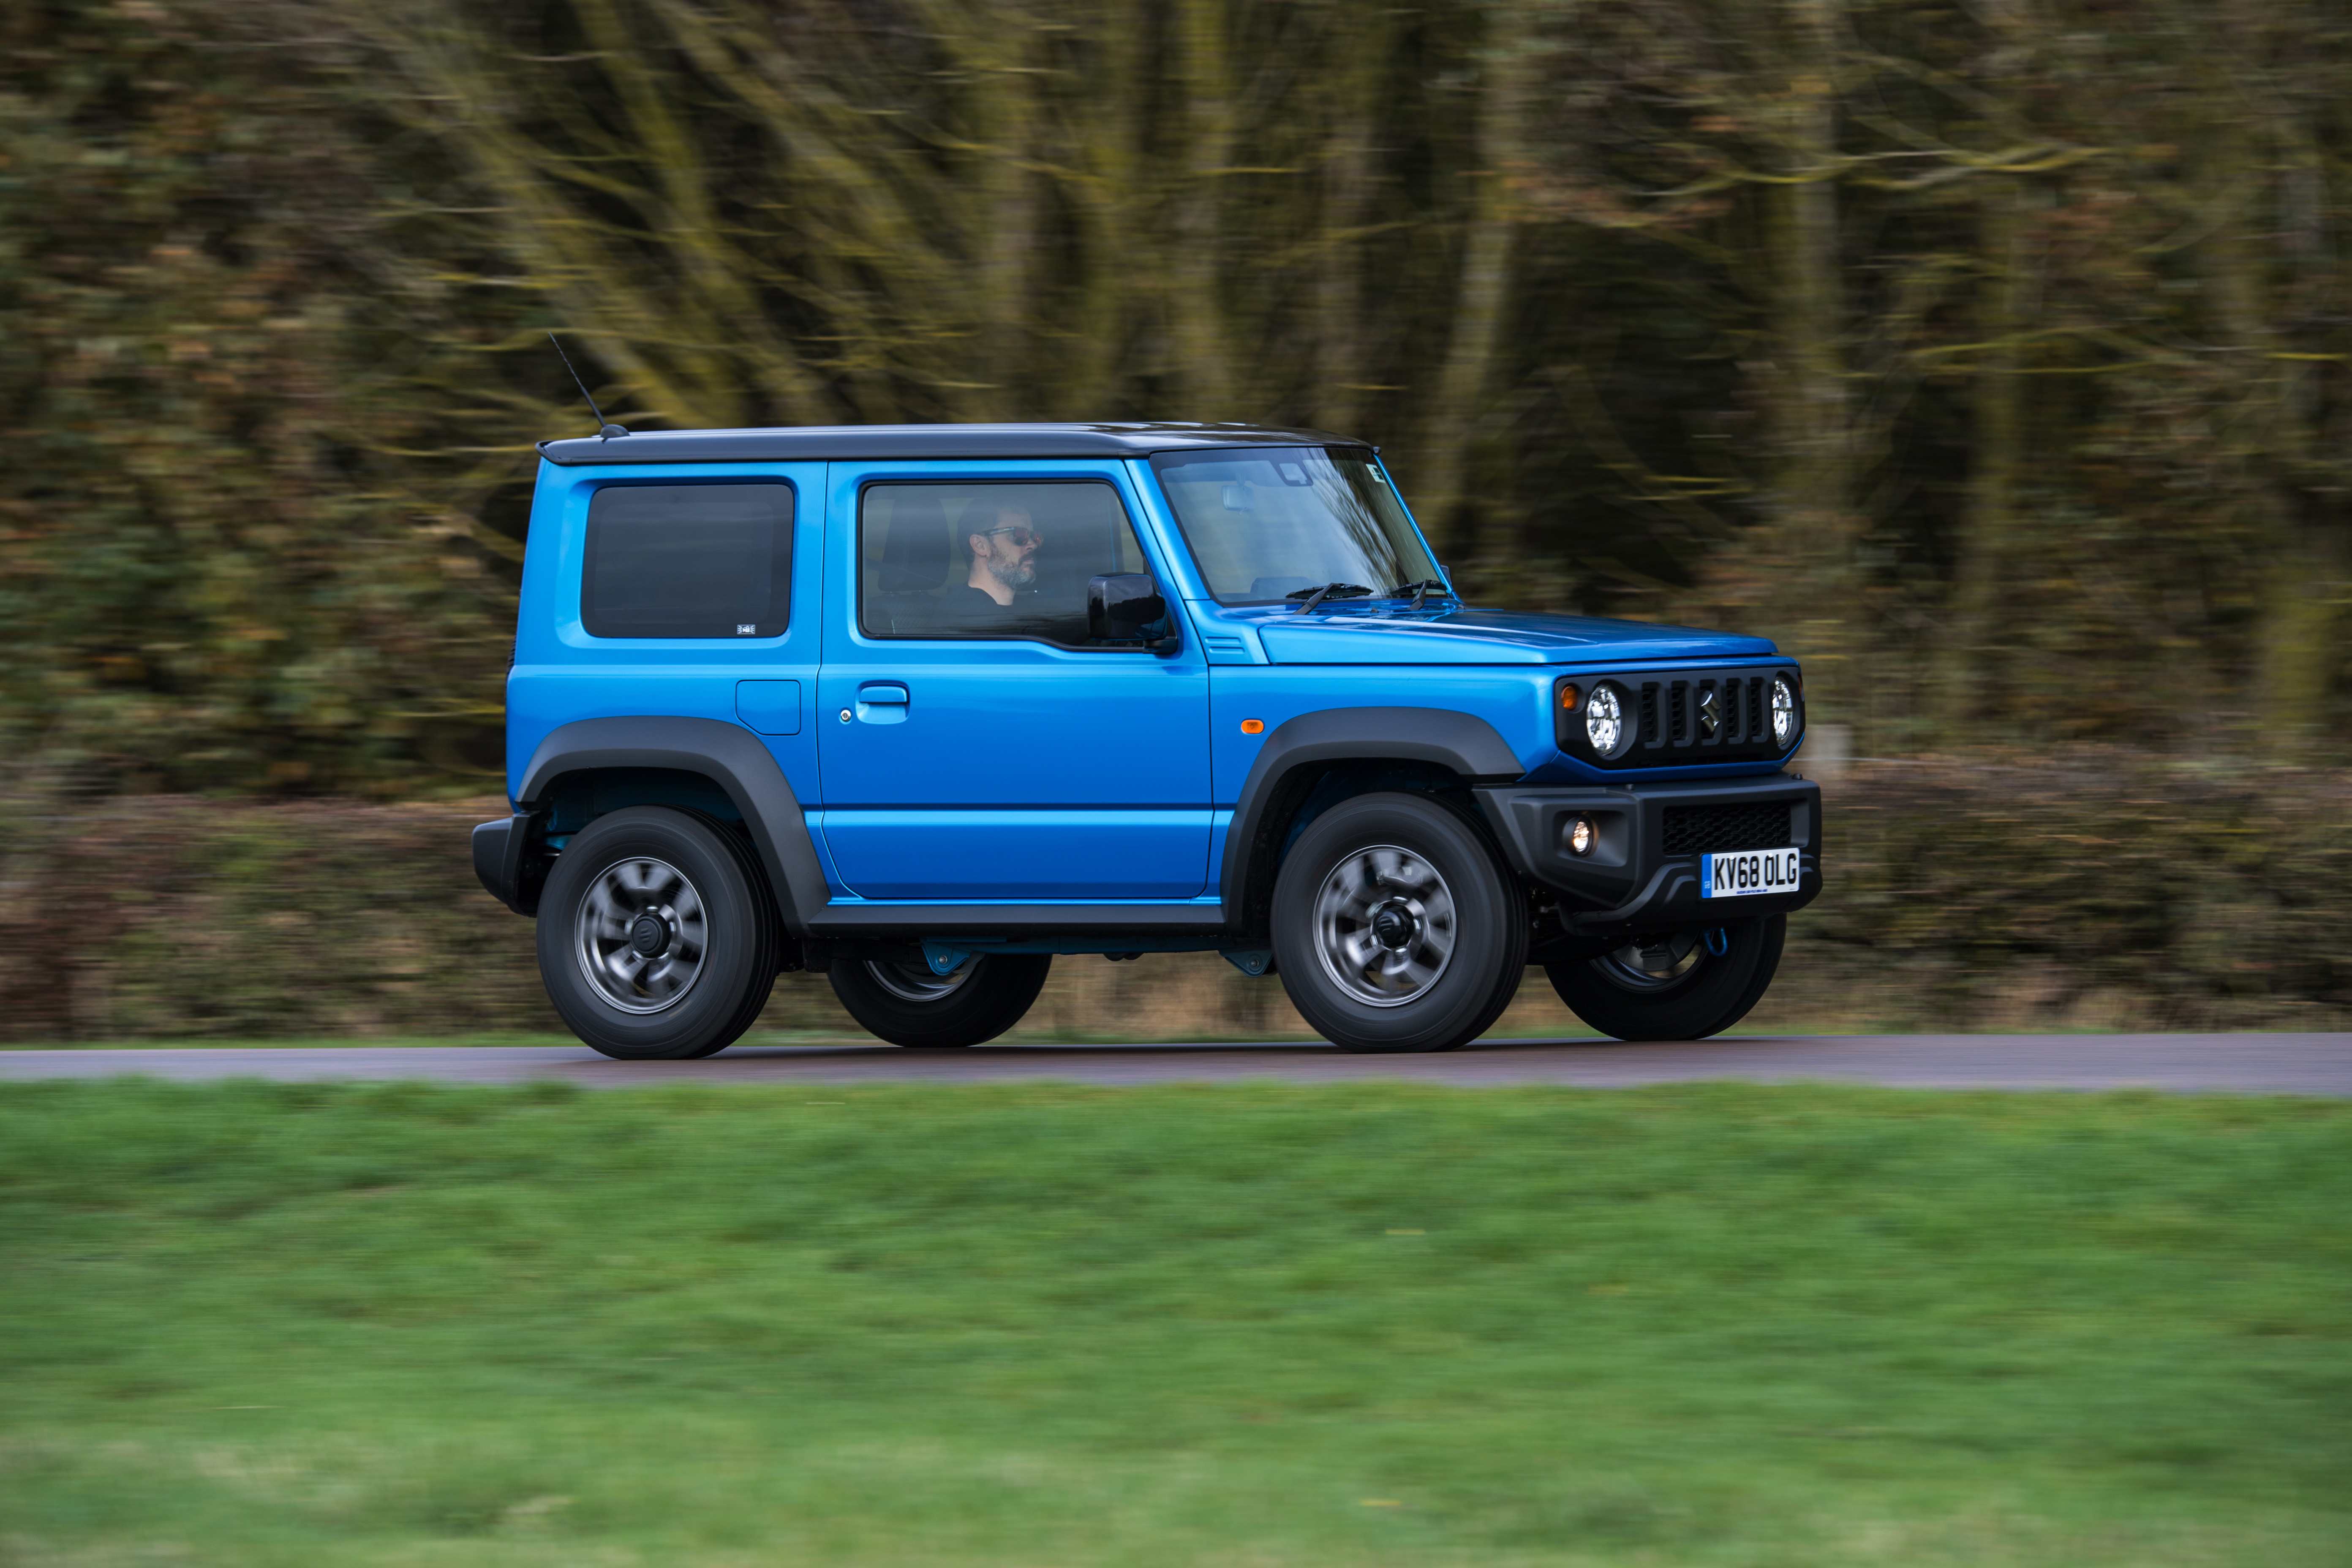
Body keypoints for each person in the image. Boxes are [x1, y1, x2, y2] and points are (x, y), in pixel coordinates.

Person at [941, 506, 1043, 618]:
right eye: (1020, 535)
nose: (1033, 545)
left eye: (1035, 537)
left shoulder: (1030, 609)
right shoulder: (963, 613)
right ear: (980, 545)